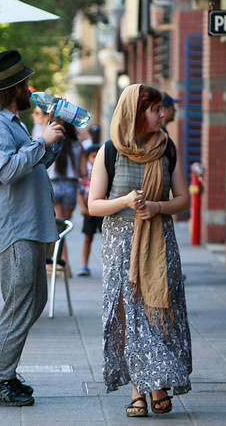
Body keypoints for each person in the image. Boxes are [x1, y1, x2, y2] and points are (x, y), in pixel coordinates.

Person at [88, 84, 191, 417]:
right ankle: (139, 390)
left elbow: (183, 200)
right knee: (131, 319)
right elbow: (94, 205)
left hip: (159, 244)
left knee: (158, 314)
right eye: (155, 109)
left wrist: (157, 207)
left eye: (162, 109)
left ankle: (156, 385)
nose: (163, 114)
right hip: (120, 247)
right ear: (136, 113)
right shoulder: (110, 151)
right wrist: (126, 202)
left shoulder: (166, 148)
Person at [0, 50, 65, 407]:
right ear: (13, 89)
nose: (30, 89)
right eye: (25, 83)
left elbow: (32, 164)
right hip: (12, 227)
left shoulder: (13, 123)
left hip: (28, 223)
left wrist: (51, 143)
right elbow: (8, 171)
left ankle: (3, 370)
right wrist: (41, 141)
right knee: (19, 302)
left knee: (35, 299)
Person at [47, 118, 87, 275]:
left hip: (54, 186)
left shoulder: (51, 140)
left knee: (59, 229)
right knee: (62, 228)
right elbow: (84, 172)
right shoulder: (78, 146)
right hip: (70, 188)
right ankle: (61, 264)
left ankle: (65, 266)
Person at [76, 144, 103, 277]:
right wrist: (83, 207)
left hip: (102, 210)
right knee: (88, 237)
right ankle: (85, 265)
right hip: (89, 211)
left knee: (107, 237)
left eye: (98, 155)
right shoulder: (85, 175)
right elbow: (80, 192)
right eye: (93, 156)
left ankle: (108, 263)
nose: (96, 158)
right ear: (87, 159)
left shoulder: (105, 172)